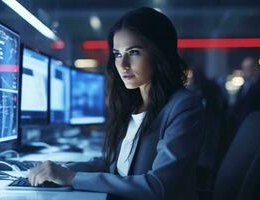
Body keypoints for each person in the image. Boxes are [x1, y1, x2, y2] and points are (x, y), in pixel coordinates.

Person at [28, 7, 204, 200]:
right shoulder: (133, 103)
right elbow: (111, 163)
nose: (123, 64)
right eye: (118, 54)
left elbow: (158, 186)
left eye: (134, 52)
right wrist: (59, 171)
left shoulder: (184, 105)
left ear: (159, 53)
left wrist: (72, 178)